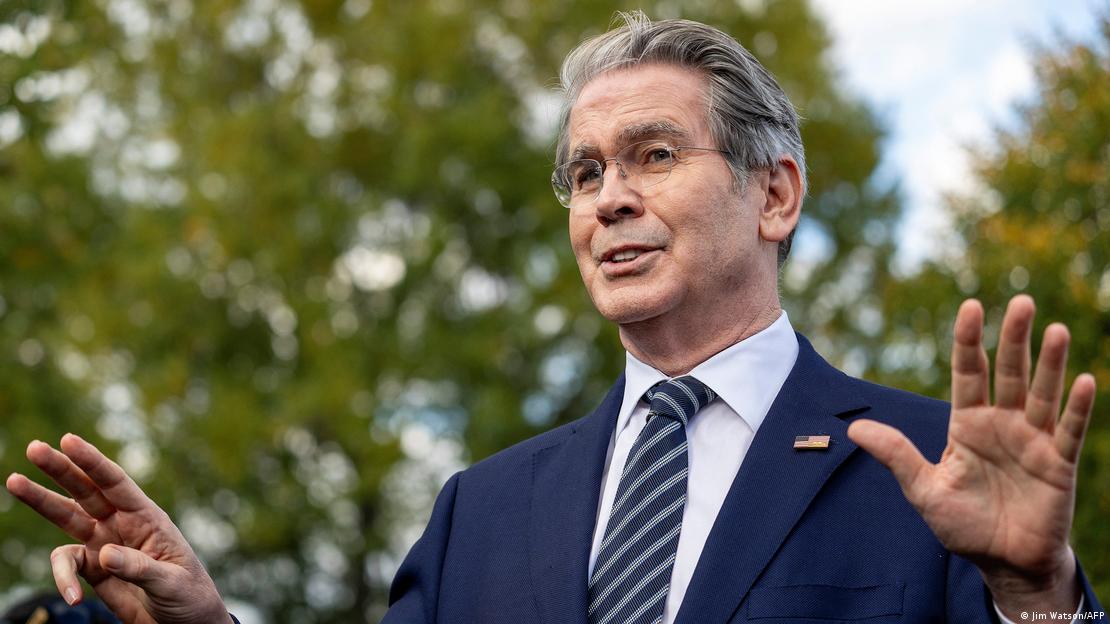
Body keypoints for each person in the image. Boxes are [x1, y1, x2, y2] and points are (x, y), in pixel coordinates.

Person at [5, 12, 1104, 624]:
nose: (608, 198)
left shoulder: (932, 471)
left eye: (653, 155)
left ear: (774, 195)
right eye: (584, 173)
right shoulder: (479, 513)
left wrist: (1036, 597)